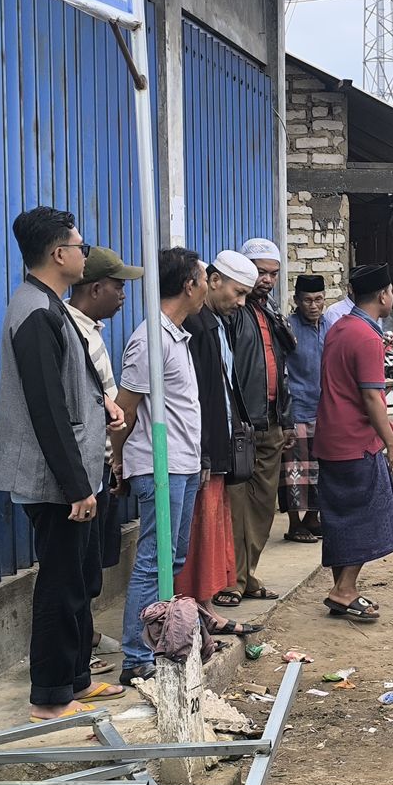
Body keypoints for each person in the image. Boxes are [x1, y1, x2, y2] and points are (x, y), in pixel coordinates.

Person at [0, 207, 127, 721]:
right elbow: (45, 408)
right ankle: (49, 698)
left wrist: (104, 403)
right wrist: (77, 486)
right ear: (58, 254)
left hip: (73, 475)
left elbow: (69, 384)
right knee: (59, 583)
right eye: (81, 244)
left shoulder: (50, 306)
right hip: (55, 483)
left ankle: (75, 679)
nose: (85, 252)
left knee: (80, 579)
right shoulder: (34, 312)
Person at [112, 247, 208, 685]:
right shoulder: (150, 339)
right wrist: (117, 460)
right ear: (189, 285)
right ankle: (135, 656)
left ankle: (159, 642)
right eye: (204, 278)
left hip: (183, 464)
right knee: (154, 560)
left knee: (173, 557)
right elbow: (124, 409)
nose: (207, 285)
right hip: (158, 466)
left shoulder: (175, 336)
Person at [64, 246, 144, 674]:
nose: (123, 294)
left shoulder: (90, 330)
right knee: (77, 569)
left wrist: (114, 460)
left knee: (94, 565)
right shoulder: (69, 331)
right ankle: (77, 647)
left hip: (101, 465)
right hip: (82, 472)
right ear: (95, 287)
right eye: (118, 286)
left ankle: (86, 634)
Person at [316, 264, 393, 622]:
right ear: (384, 294)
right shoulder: (368, 337)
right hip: (357, 442)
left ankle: (342, 588)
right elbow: (372, 399)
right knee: (368, 516)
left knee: (340, 517)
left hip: (332, 438)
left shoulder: (340, 327)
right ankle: (344, 589)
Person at [175, 250, 261, 637]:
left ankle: (205, 608)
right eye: (238, 293)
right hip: (200, 450)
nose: (241, 302)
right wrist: (207, 449)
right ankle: (192, 612)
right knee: (197, 536)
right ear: (212, 281)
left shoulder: (217, 322)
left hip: (215, 446)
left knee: (212, 532)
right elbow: (200, 396)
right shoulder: (194, 325)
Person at [218, 238, 296, 607]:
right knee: (237, 505)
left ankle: (248, 574)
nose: (266, 280)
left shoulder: (270, 312)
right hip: (242, 426)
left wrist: (289, 418)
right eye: (261, 272)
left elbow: (282, 370)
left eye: (273, 273)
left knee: (264, 506)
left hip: (273, 421)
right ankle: (233, 580)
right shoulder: (233, 312)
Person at [281, 274, 330, 544]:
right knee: (294, 471)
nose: (313, 305)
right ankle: (294, 523)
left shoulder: (330, 326)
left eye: (318, 300)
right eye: (308, 300)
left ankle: (313, 518)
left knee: (318, 469)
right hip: (296, 408)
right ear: (297, 301)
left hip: (323, 409)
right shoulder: (289, 328)